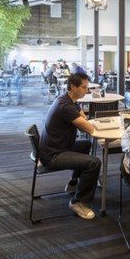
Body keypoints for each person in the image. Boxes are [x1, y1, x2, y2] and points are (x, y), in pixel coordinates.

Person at [39, 73, 101, 220]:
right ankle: (78, 202)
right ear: (73, 87)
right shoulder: (66, 106)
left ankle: (73, 182)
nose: (87, 91)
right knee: (94, 163)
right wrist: (85, 121)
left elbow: (83, 118)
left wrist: (82, 118)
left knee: (86, 144)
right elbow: (89, 129)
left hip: (56, 146)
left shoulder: (68, 99)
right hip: (53, 155)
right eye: (84, 87)